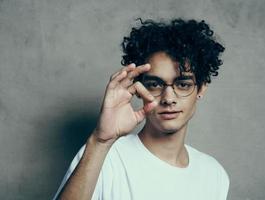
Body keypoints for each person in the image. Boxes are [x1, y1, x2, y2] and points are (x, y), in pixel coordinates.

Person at [53, 18, 230, 200]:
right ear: (138, 89)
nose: (168, 98)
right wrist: (100, 142)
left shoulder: (214, 174)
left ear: (200, 89)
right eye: (155, 84)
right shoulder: (104, 157)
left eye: (183, 84)